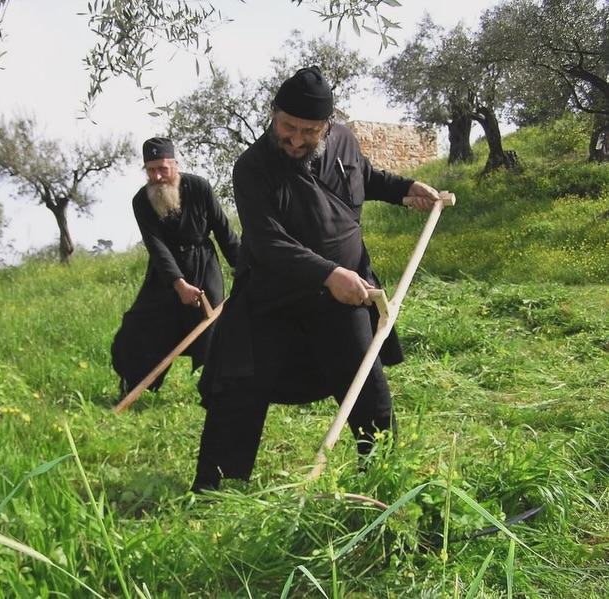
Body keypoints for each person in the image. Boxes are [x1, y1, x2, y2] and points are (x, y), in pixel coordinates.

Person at [190, 66, 441, 492]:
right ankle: (217, 492)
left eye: (309, 131)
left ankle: (383, 480)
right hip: (273, 295)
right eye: (288, 126)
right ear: (274, 115)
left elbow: (363, 176)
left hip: (342, 298)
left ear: (327, 126)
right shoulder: (252, 167)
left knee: (367, 388)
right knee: (238, 392)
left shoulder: (343, 139)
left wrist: (404, 189)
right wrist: (327, 273)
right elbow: (268, 241)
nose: (295, 139)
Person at [111, 137, 241, 400]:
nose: (158, 176)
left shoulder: (199, 187)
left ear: (175, 164)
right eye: (151, 170)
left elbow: (224, 231)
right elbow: (156, 247)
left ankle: (217, 392)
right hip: (165, 274)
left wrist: (244, 267)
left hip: (204, 267)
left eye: (163, 168)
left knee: (213, 329)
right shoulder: (141, 201)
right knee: (138, 325)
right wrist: (178, 284)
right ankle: (132, 386)